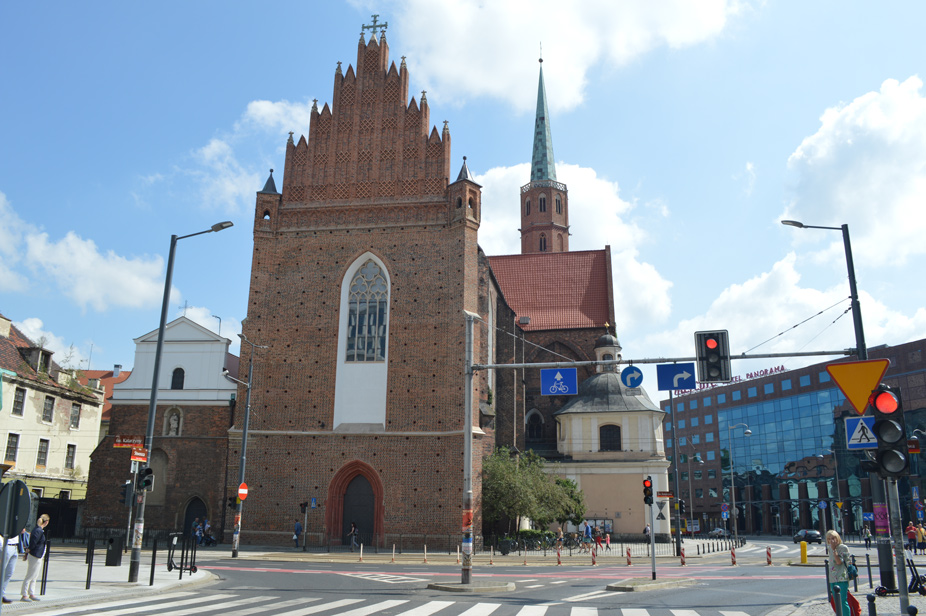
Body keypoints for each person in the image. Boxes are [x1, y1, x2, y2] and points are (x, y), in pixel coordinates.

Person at [20, 514, 49, 602]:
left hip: (37, 555)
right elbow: (33, 543)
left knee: (34, 576)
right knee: (30, 575)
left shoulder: (38, 530)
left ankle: (31, 592)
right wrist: (28, 551)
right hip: (35, 555)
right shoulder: (38, 531)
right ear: (46, 522)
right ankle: (24, 594)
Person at [826, 529, 852, 616]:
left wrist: (834, 550)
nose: (832, 541)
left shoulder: (843, 547)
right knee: (836, 601)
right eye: (829, 539)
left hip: (842, 577)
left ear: (837, 538)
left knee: (842, 600)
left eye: (833, 538)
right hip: (832, 577)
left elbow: (839, 562)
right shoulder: (830, 548)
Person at [0, 530, 21, 604]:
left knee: (9, 573)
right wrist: (1, 546)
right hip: (6, 545)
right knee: (1, 572)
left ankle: (1, 594)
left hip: (15, 546)